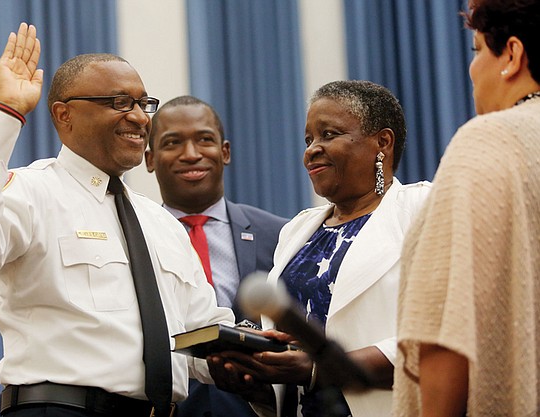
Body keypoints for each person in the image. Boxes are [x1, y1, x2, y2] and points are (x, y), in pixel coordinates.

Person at [0, 23, 235, 417]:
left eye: (143, 103)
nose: (140, 118)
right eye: (120, 102)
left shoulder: (161, 223)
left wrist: (263, 359)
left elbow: (200, 335)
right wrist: (7, 114)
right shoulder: (33, 192)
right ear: (64, 114)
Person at [207, 80, 432, 417]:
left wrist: (315, 368)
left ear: (382, 142)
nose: (311, 149)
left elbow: (443, 338)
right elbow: (289, 356)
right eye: (309, 139)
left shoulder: (424, 208)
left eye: (329, 134)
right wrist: (257, 377)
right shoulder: (297, 229)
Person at [394, 1, 540, 416]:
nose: (473, 68)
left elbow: (445, 324)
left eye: (477, 50)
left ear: (511, 55)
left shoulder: (490, 141)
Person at [144, 95, 288, 417]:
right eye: (173, 143)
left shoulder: (281, 235)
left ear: (225, 152)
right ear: (150, 159)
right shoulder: (136, 237)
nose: (191, 154)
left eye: (204, 140)